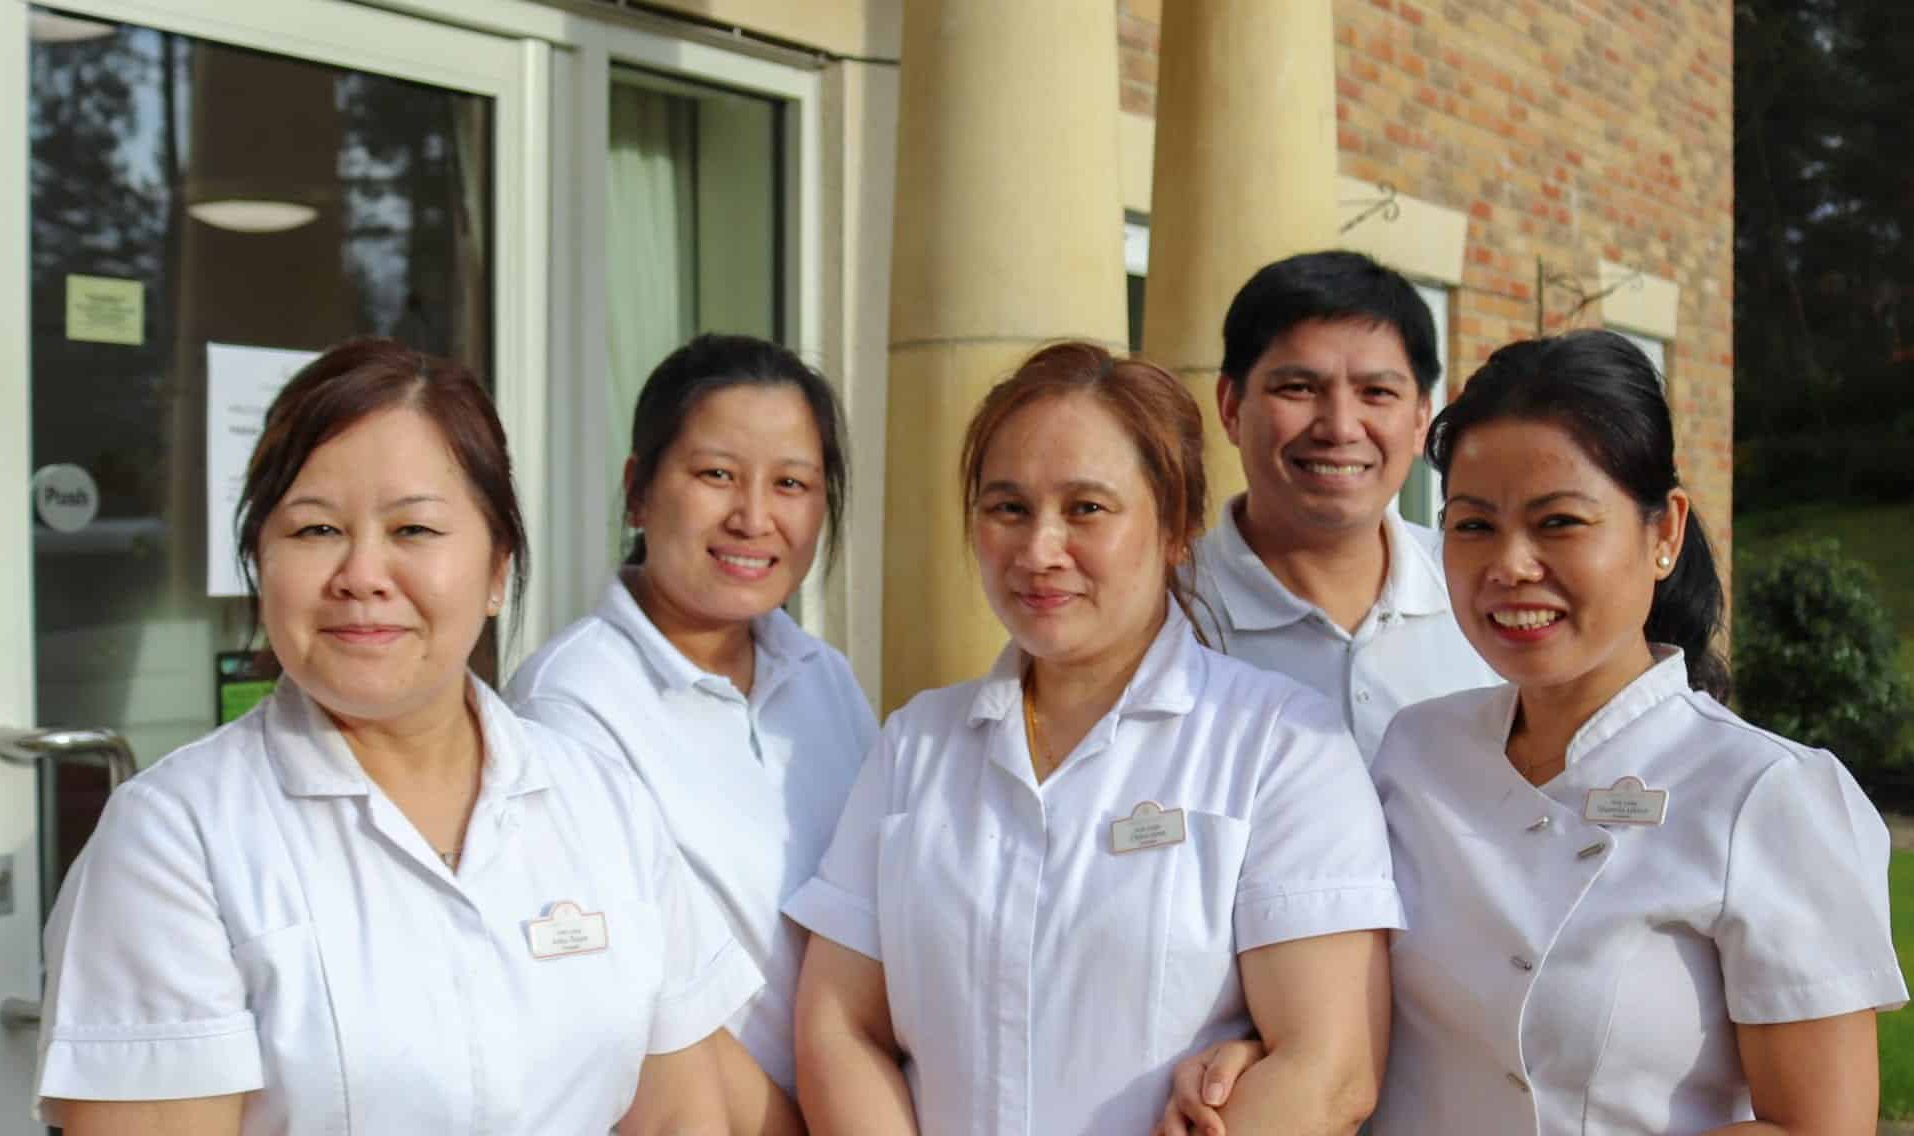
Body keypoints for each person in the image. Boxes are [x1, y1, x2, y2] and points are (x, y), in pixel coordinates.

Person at [1163, 330, 1909, 1136]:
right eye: (1473, 526)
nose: (1510, 566)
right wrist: (1262, 1054)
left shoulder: (1767, 794)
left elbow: (1818, 1128)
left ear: (1664, 533)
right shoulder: (1414, 753)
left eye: (1559, 522)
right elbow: (1353, 1008)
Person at [34, 339, 760, 1135]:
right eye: (315, 530)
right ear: (260, 562)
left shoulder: (602, 800)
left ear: (497, 571)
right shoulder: (174, 837)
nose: (362, 575)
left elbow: (680, 1113)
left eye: (413, 529)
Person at [787, 343, 1397, 1135]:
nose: (1040, 551)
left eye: (1086, 509)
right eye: (1008, 508)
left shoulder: (1279, 745)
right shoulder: (917, 746)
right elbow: (839, 1025)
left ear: (1176, 528)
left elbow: (1329, 1071)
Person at [505, 334, 876, 1135]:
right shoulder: (569, 707)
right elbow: (638, 1005)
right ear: (638, 492)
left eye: (791, 484)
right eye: (716, 475)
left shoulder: (825, 680)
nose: (753, 518)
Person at [1195, 250, 1496, 762]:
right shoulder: (1164, 617)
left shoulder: (1486, 592)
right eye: (1298, 388)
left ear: (1421, 418)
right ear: (1230, 407)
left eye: (1376, 392)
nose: (1339, 427)